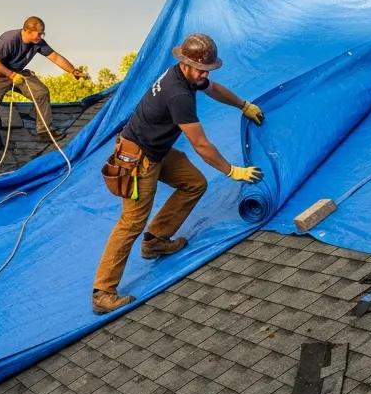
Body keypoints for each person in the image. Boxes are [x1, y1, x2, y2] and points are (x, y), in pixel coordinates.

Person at [92, 33, 265, 315]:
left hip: (155, 151)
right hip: (139, 160)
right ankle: (102, 292)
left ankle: (156, 241)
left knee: (193, 183)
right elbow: (201, 144)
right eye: (198, 69)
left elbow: (213, 89)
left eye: (206, 70)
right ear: (184, 62)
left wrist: (242, 105)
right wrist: (232, 171)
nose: (202, 74)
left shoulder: (188, 75)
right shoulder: (178, 94)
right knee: (131, 223)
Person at [0, 16, 83, 168]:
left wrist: (73, 70)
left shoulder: (38, 42)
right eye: (38, 33)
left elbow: (55, 57)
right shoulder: (9, 39)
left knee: (41, 92)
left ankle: (44, 131)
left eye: (42, 34)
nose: (41, 37)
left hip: (19, 74)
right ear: (27, 31)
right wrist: (11, 75)